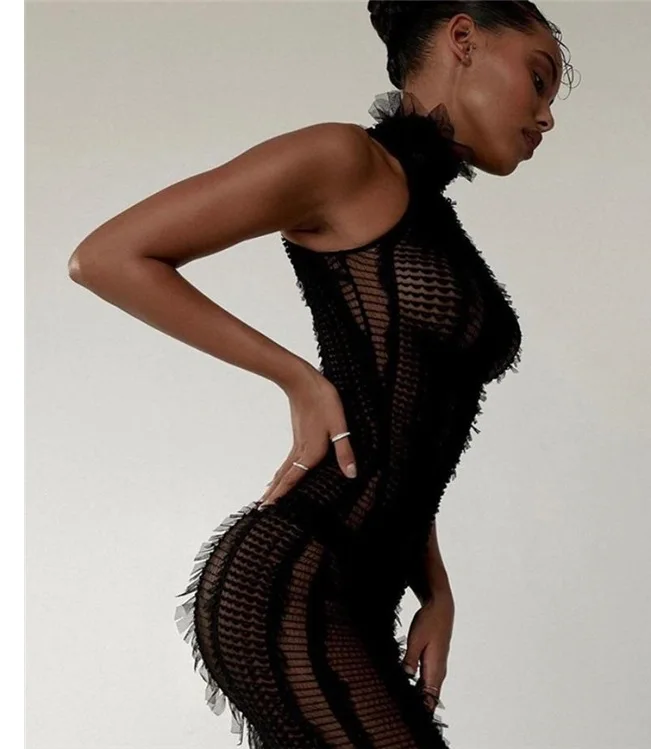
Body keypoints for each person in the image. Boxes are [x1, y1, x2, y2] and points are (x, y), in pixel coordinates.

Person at [68, 2, 575, 746]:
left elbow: (403, 427)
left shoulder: (430, 215)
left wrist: (435, 588)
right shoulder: (343, 160)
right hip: (294, 582)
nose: (546, 117)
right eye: (537, 80)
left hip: (362, 589)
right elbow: (107, 258)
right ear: (463, 38)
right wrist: (296, 379)